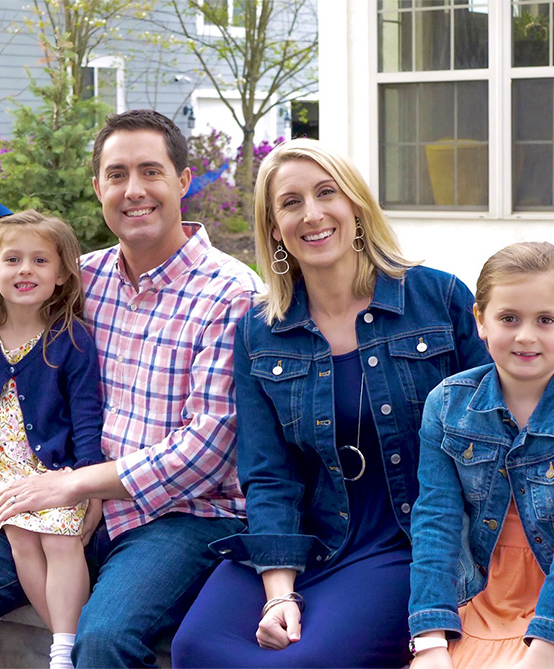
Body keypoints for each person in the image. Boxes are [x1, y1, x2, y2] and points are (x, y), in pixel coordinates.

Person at [0, 109, 263, 667]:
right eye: (116, 175)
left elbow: (208, 450)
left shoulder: (230, 292)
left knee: (104, 638)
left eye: (150, 171)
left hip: (178, 514)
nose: (133, 190)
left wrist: (74, 487)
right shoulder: (78, 279)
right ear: (98, 188)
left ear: (184, 181)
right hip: (58, 500)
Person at [169, 137, 490, 667]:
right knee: (197, 647)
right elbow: (269, 474)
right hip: (306, 538)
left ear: (356, 205)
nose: (312, 214)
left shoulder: (438, 299)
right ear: (275, 228)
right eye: (291, 203)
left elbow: (525, 400)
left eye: (326, 193)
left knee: (301, 663)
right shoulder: (260, 331)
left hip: (408, 541)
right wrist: (278, 593)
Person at [407, 242, 554, 669]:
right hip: (481, 588)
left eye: (546, 320)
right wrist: (429, 642)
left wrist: (545, 654)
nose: (526, 335)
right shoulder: (444, 404)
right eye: (509, 318)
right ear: (480, 320)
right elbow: (435, 521)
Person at [0, 207, 105, 669]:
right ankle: (64, 640)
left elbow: (86, 418)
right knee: (21, 535)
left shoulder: (71, 339)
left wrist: (91, 485)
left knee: (59, 539)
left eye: (39, 260)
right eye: (12, 259)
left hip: (55, 473)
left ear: (61, 275)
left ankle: (61, 648)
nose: (25, 270)